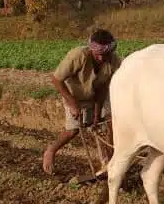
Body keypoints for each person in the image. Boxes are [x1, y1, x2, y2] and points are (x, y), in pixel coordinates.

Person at [42, 29, 122, 175]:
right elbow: (56, 79)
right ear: (91, 49)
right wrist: (72, 104)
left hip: (96, 95)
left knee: (108, 124)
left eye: (105, 55)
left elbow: (103, 88)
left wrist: (97, 113)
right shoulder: (78, 56)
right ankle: (51, 151)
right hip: (73, 95)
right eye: (98, 55)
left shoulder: (114, 61)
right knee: (73, 130)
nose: (101, 59)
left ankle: (110, 162)